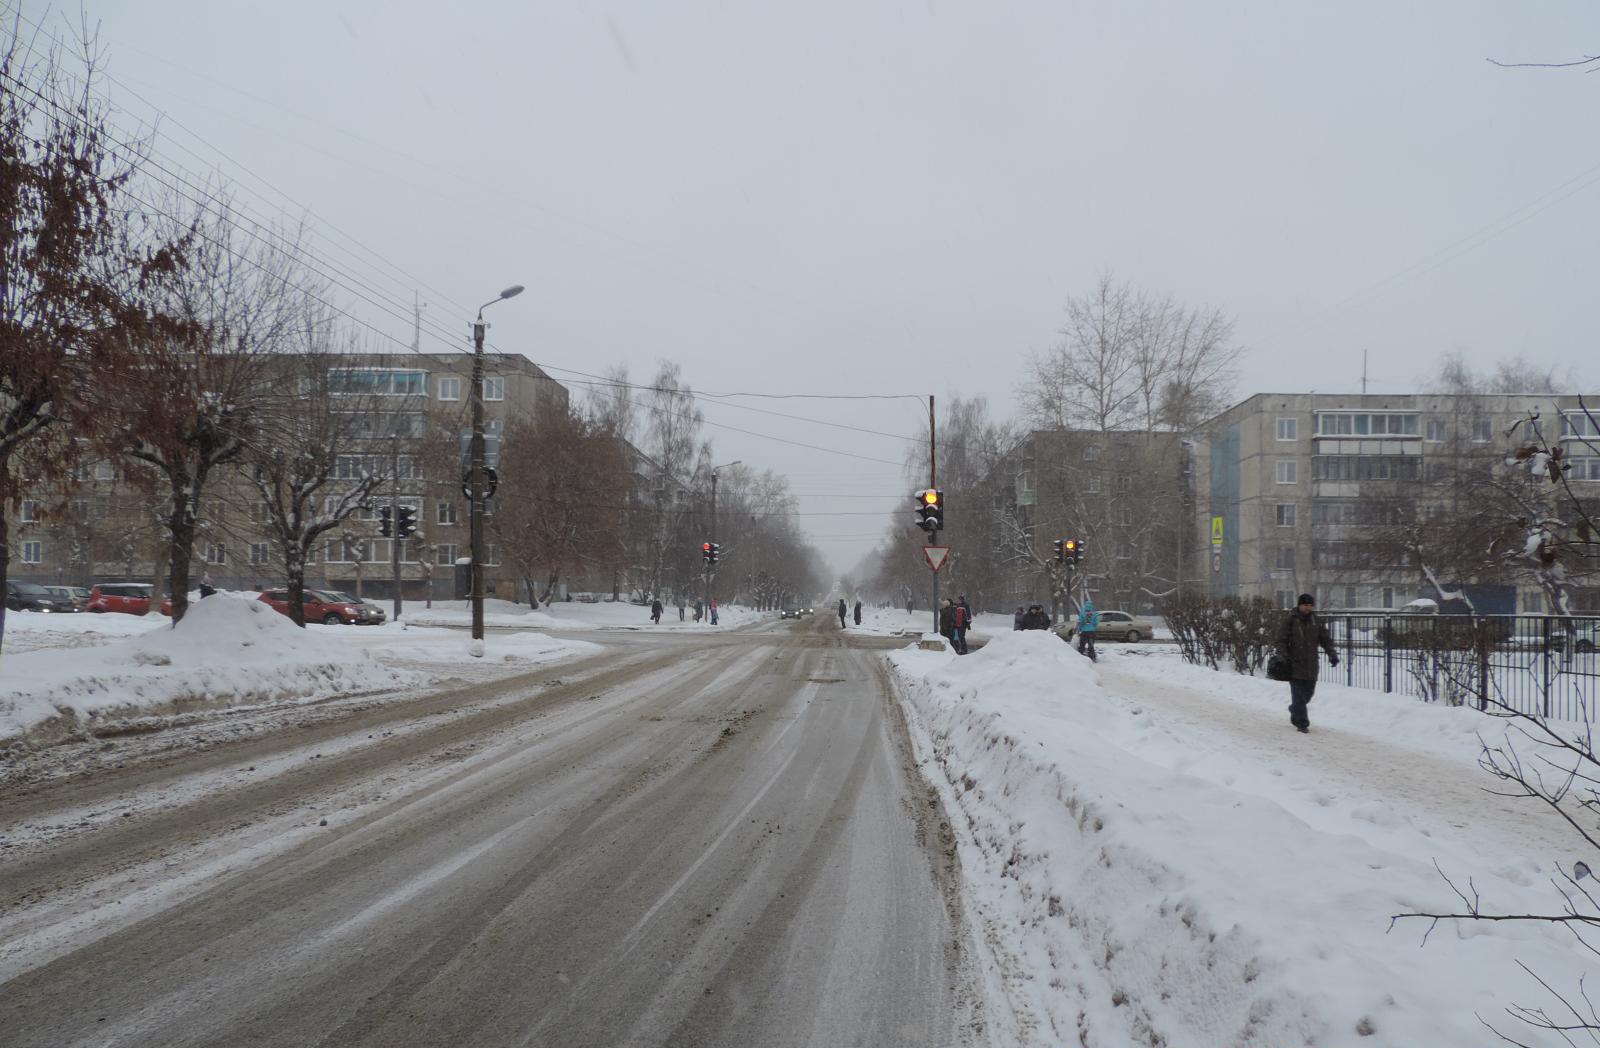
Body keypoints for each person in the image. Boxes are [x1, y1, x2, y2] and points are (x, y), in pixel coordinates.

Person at [1276, 593, 1339, 733]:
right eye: (1305, 605)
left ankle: (1295, 709)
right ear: (1299, 605)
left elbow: (1325, 640)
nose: (1308, 608)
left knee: (1308, 694)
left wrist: (1332, 654)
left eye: (1310, 605)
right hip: (1294, 664)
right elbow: (1281, 640)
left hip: (1312, 664)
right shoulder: (1291, 620)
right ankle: (1302, 723)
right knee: (1298, 695)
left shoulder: (1316, 621)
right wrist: (1282, 655)